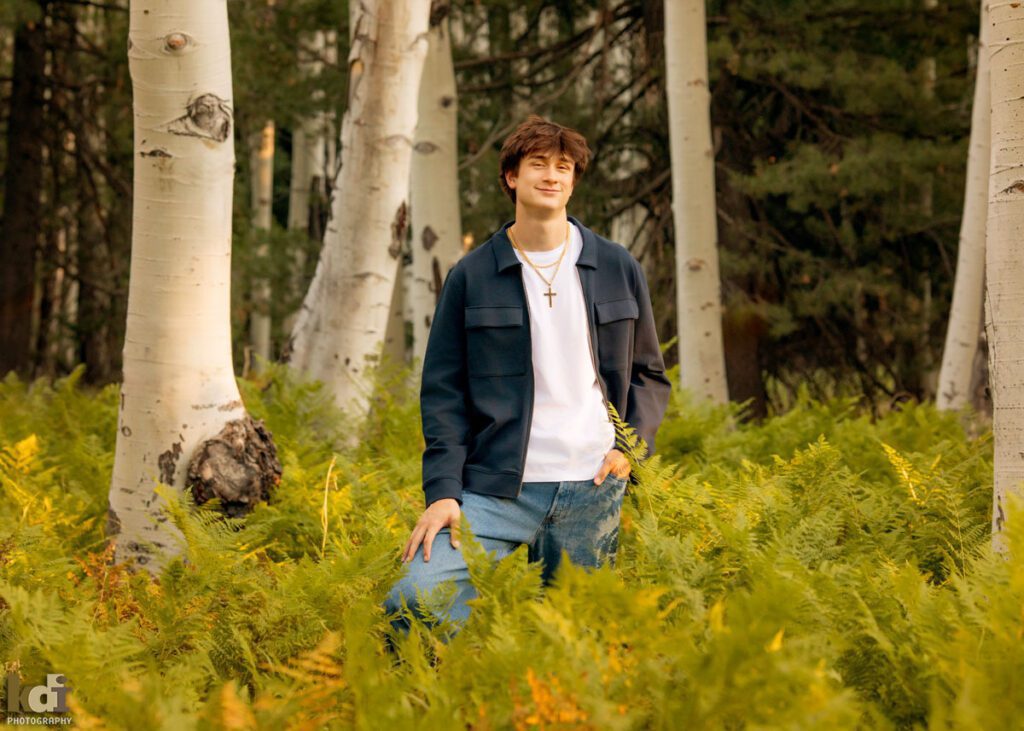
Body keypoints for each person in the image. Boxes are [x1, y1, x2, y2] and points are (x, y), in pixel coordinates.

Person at [384, 114, 671, 635]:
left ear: (574, 181)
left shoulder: (615, 264)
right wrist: (442, 493)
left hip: (593, 486)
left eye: (564, 166)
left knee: (575, 640)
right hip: (495, 491)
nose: (552, 175)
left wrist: (630, 449)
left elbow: (649, 374)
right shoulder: (472, 274)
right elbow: (443, 393)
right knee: (416, 605)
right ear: (512, 177)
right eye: (538, 163)